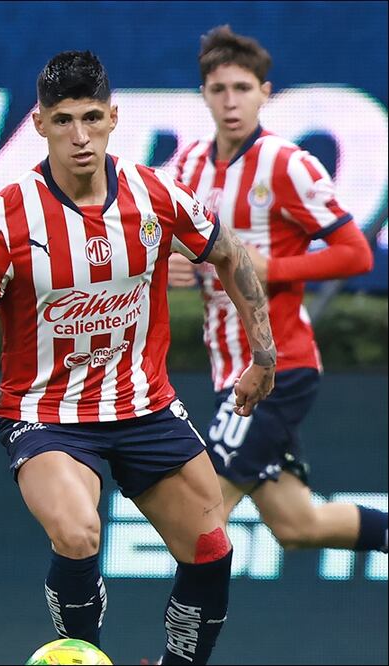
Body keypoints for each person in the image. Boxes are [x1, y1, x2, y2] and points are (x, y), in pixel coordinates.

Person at [0, 51, 276, 665]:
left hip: (146, 407)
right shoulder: (2, 221)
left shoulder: (154, 195)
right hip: (47, 415)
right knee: (79, 532)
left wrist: (262, 354)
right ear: (39, 124)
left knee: (212, 549)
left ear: (114, 117)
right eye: (63, 121)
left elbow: (231, 255)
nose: (80, 137)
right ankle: (82, 654)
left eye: (92, 118)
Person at [168, 26, 387, 557]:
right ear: (204, 96)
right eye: (219, 90)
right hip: (229, 371)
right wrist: (167, 264)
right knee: (297, 524)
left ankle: (178, 646)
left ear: (266, 93)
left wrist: (272, 267)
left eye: (243, 88)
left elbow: (356, 252)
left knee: (198, 522)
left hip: (278, 368)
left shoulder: (287, 164)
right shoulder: (186, 167)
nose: (231, 101)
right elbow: (154, 241)